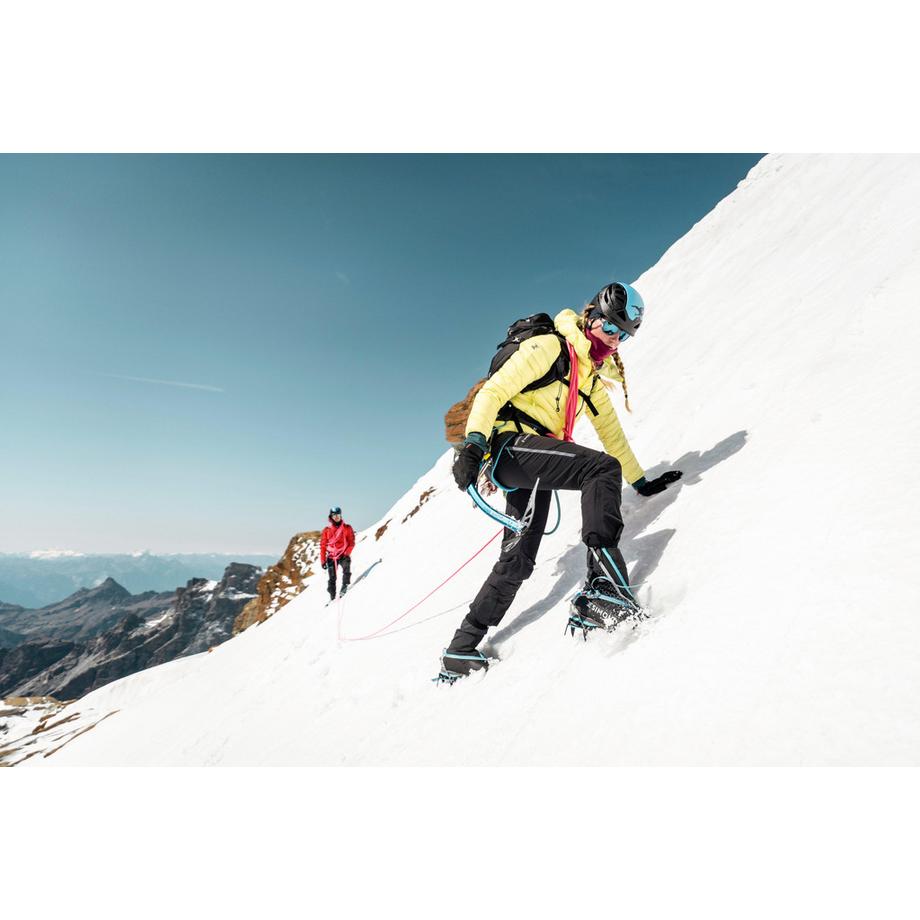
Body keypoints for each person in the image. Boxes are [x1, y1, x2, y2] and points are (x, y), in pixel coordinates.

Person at [446, 281, 682, 677]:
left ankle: (461, 648)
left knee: (518, 560)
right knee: (599, 468)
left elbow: (612, 435)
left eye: (625, 335)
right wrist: (472, 445)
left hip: (533, 462)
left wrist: (641, 483)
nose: (616, 339)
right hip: (510, 447)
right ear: (591, 318)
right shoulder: (550, 348)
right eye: (610, 328)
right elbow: (494, 392)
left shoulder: (588, 378)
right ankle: (603, 589)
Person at [320, 506, 355, 601]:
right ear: (331, 517)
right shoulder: (326, 530)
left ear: (341, 515)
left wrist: (347, 553)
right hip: (332, 557)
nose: (336, 517)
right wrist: (323, 561)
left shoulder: (347, 528)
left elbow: (351, 542)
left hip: (343, 554)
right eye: (334, 515)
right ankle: (332, 597)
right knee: (332, 578)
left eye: (338, 515)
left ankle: (345, 586)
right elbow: (323, 546)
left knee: (346, 569)